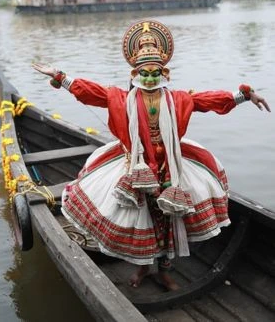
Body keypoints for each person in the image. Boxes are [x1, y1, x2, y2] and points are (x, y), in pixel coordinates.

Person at [32, 19, 270, 291]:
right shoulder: (121, 98)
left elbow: (209, 101)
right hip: (135, 169)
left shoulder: (179, 99)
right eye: (143, 74)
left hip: (172, 169)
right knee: (140, 220)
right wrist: (60, 76)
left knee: (171, 222)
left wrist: (245, 96)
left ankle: (165, 272)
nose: (148, 78)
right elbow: (90, 91)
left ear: (164, 73)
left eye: (154, 73)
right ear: (135, 73)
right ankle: (144, 268)